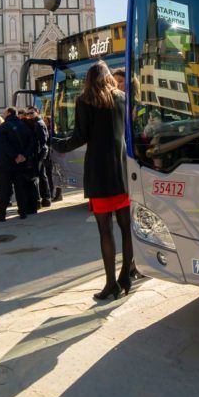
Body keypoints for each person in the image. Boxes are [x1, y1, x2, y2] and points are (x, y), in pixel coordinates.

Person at [53, 61, 135, 300]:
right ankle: (126, 276)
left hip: (99, 174)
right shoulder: (122, 97)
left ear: (88, 79)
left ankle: (111, 284)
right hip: (121, 171)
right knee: (127, 229)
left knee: (105, 231)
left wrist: (57, 143)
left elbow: (80, 137)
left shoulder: (84, 101)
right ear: (108, 76)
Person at [0, 107, 37, 220]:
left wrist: (15, 156)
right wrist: (23, 156)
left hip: (6, 164)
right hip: (21, 163)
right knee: (20, 189)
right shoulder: (25, 125)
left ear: (8, 113)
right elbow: (31, 143)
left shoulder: (3, 127)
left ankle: (1, 215)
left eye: (4, 113)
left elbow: (4, 145)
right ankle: (23, 212)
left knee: (5, 190)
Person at [27, 107, 52, 208]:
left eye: (31, 113)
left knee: (39, 176)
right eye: (28, 113)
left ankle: (44, 198)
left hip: (40, 153)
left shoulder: (39, 123)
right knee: (42, 175)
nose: (29, 115)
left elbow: (42, 141)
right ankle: (46, 199)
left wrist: (37, 154)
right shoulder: (36, 122)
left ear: (37, 112)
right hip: (41, 152)